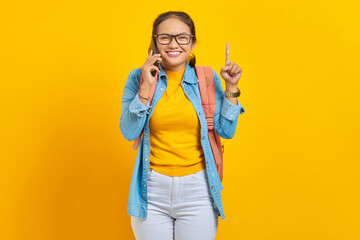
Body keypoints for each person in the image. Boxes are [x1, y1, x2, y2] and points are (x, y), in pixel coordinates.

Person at [120, 11, 245, 240]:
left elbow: (226, 131)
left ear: (193, 42)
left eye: (182, 37)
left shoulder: (207, 79)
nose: (173, 44)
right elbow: (129, 132)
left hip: (198, 190)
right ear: (155, 40)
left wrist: (231, 90)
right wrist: (146, 87)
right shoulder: (137, 78)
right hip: (151, 191)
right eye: (165, 37)